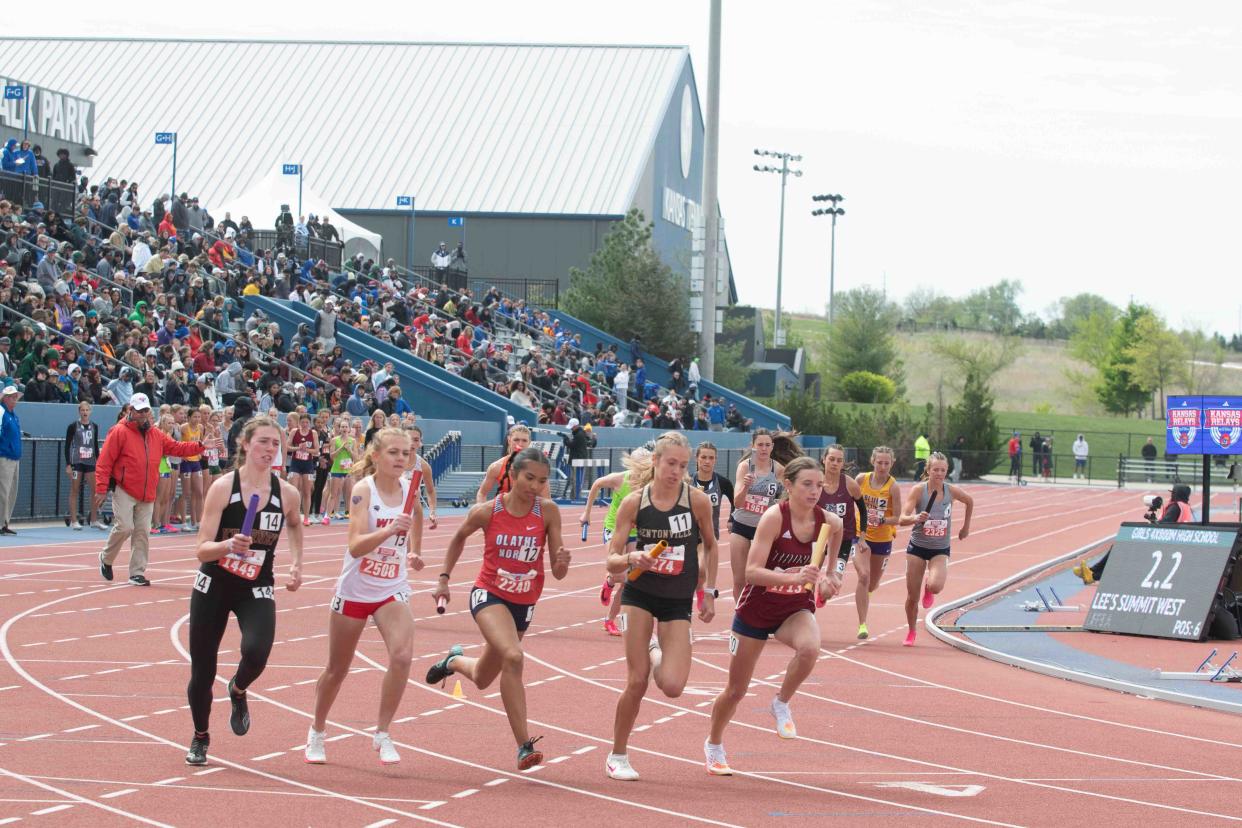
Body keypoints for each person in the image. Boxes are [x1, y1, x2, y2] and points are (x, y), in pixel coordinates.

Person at [427, 447, 569, 770]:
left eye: (542, 481)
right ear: (513, 475)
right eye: (529, 478)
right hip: (488, 595)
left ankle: (453, 660)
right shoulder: (488, 511)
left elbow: (558, 572)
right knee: (513, 656)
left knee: (481, 676)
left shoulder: (548, 512)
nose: (534, 486)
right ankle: (524, 745)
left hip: (524, 603)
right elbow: (458, 538)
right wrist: (444, 579)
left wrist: (561, 561)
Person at [705, 457, 842, 774]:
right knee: (736, 690)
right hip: (756, 610)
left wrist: (832, 573)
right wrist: (794, 578)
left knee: (810, 649)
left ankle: (780, 702)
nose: (814, 491)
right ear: (789, 486)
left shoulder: (824, 519)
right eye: (807, 484)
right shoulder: (773, 519)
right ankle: (714, 744)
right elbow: (751, 573)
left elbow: (838, 531)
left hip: (794, 609)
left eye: (819, 485)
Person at [185, 417, 304, 766]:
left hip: (256, 584)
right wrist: (227, 545)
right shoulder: (224, 487)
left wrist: (297, 563)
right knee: (202, 671)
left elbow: (295, 525)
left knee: (257, 651)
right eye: (263, 442)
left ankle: (237, 689)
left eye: (275, 443)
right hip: (214, 584)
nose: (269, 449)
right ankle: (200, 735)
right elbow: (201, 549)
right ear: (245, 444)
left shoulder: (288, 493)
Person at [604, 431, 718, 782]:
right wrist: (630, 556)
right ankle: (617, 754)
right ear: (655, 462)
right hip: (639, 593)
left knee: (672, 685)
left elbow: (712, 546)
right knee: (636, 681)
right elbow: (611, 561)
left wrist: (709, 590)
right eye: (671, 463)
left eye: (683, 465)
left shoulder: (697, 501)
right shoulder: (634, 503)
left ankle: (656, 651)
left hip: (677, 599)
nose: (676, 471)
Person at [306, 427, 422, 765]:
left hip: (391, 588)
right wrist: (388, 529)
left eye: (406, 452)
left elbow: (412, 521)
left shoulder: (409, 490)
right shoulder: (363, 490)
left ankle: (383, 732)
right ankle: (317, 729)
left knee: (402, 656)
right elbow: (355, 546)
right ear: (376, 456)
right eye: (394, 452)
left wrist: (413, 552)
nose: (401, 458)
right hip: (355, 589)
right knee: (337, 669)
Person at [94, 394, 220, 586]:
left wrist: (201, 446)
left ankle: (137, 572)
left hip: (148, 491)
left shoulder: (155, 434)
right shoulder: (118, 432)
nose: (144, 414)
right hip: (125, 488)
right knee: (125, 527)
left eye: (146, 410)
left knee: (143, 532)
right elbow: (105, 462)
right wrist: (101, 488)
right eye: (140, 411)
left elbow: (177, 448)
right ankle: (106, 558)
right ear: (131, 411)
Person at [899, 452, 973, 646]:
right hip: (917, 547)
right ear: (928, 470)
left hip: (940, 548)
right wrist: (915, 518)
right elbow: (902, 518)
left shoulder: (951, 491)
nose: (939, 473)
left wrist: (965, 527)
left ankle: (928, 589)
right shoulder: (918, 490)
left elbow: (969, 501)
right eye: (935, 470)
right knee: (912, 597)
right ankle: (911, 631)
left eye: (943, 470)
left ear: (946, 471)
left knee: (936, 586)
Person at [581, 448, 649, 636]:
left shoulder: (650, 484)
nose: (642, 471)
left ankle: (610, 620)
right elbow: (596, 484)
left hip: (635, 532)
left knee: (630, 580)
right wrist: (586, 512)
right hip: (615, 528)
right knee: (619, 574)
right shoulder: (620, 479)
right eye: (639, 466)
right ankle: (610, 580)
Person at [1074, 484, 1193, 584]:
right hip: (1175, 543)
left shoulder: (1175, 507)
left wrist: (1154, 522)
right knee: (1117, 548)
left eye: (1173, 493)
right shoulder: (1185, 507)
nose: (1171, 496)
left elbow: (1164, 526)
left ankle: (1093, 575)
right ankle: (1092, 572)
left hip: (1165, 545)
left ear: (1176, 494)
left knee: (1120, 548)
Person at [854, 446, 915, 640]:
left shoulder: (893, 486)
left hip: (882, 539)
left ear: (892, 463)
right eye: (879, 462)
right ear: (873, 461)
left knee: (871, 584)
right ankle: (862, 624)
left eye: (886, 463)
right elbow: (850, 503)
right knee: (863, 576)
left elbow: (897, 517)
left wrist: (882, 520)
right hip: (861, 535)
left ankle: (867, 594)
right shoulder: (861, 479)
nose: (882, 466)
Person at [728, 429, 783, 600]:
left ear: (772, 447)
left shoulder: (779, 470)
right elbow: (737, 503)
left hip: (764, 530)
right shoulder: (745, 467)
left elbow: (784, 501)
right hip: (742, 526)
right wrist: (746, 486)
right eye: (760, 445)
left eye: (767, 445)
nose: (763, 449)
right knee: (739, 579)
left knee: (761, 580)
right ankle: (739, 618)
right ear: (753, 446)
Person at [817, 444, 867, 601]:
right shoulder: (815, 483)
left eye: (839, 460)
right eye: (831, 459)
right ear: (823, 460)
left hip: (843, 540)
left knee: (831, 586)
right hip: (818, 538)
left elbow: (863, 510)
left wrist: (862, 537)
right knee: (808, 579)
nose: (834, 463)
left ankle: (822, 594)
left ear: (843, 463)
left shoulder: (850, 484)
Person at [690, 441, 735, 608]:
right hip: (688, 534)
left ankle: (701, 591)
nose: (707, 461)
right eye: (703, 457)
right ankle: (696, 592)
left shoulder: (722, 483)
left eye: (711, 458)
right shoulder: (687, 481)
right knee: (693, 572)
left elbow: (734, 501)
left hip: (709, 534)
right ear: (697, 459)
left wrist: (731, 519)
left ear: (715, 460)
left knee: (701, 570)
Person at [476, 425, 550, 502]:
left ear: (529, 443)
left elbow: (546, 500)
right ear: (509, 440)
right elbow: (482, 494)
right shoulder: (497, 467)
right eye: (516, 440)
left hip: (529, 511)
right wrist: (481, 510)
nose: (520, 444)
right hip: (504, 511)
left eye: (524, 440)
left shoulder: (538, 468)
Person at [64, 401, 105, 529]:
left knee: (95, 490)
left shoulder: (94, 426)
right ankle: (74, 520)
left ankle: (94, 520)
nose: (85, 412)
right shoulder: (73, 426)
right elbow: (67, 446)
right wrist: (68, 464)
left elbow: (95, 446)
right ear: (79, 411)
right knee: (75, 490)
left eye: (87, 410)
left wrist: (99, 463)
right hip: (77, 461)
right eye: (83, 410)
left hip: (90, 462)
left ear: (90, 411)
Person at [286, 412, 319, 526]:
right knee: (293, 490)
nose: (305, 424)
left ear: (309, 423)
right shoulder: (294, 431)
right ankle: (293, 515)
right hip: (295, 463)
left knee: (307, 492)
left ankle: (306, 518)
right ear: (299, 422)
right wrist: (298, 448)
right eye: (303, 422)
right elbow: (287, 446)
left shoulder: (313, 433)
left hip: (308, 464)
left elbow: (316, 450)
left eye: (307, 422)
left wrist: (306, 450)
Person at [0, 386, 20, 535]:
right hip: (4, 457)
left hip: (14, 457)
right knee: (3, 492)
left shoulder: (14, 415)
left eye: (15, 396)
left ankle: (5, 522)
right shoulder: (1, 413)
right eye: (12, 397)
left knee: (11, 492)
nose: (15, 399)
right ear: (5, 398)